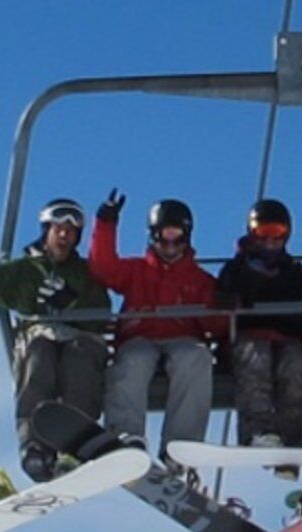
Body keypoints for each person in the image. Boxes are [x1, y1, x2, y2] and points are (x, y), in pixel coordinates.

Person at [0, 196, 117, 479]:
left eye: (71, 232)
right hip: (39, 334)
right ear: (46, 230)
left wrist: (72, 302)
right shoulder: (25, 272)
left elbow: (102, 311)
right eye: (58, 229)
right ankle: (34, 446)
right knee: (40, 357)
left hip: (81, 336)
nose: (64, 236)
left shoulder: (85, 273)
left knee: (80, 362)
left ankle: (76, 444)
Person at [88, 191, 222, 452]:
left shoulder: (199, 280)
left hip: (183, 339)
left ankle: (182, 444)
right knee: (133, 362)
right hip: (141, 336)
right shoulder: (138, 271)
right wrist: (106, 223)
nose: (170, 244)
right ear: (153, 235)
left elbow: (216, 325)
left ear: (187, 235)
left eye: (176, 235)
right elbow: (103, 268)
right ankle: (126, 434)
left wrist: (226, 305)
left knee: (196, 359)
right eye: (164, 235)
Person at [213, 197, 302, 447]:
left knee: (296, 367)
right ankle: (257, 431)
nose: (271, 240)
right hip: (249, 338)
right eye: (264, 232)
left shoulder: (297, 274)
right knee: (256, 359)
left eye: (278, 232)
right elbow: (222, 309)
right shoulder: (236, 271)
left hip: (288, 339)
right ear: (252, 233)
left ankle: (290, 438)